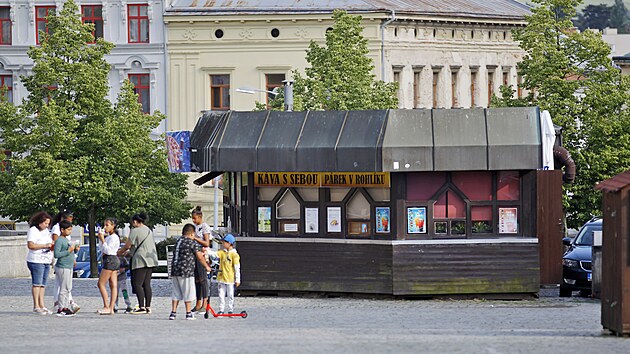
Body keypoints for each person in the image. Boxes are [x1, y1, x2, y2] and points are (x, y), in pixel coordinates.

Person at [117, 212, 157, 314]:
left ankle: (141, 306)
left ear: (135, 221)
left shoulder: (135, 231)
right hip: (151, 259)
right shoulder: (148, 230)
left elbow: (128, 245)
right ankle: (148, 306)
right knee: (147, 284)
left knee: (137, 283)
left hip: (140, 260)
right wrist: (129, 253)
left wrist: (120, 252)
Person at [169, 224, 211, 320]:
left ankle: (173, 313)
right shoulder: (191, 242)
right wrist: (206, 266)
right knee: (188, 292)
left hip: (175, 270)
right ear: (192, 233)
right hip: (186, 271)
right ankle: (188, 313)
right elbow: (199, 256)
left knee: (176, 292)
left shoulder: (178, 241)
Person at [50, 210, 79, 313]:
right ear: (62, 230)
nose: (70, 232)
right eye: (68, 230)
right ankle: (61, 307)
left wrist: (74, 250)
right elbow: (57, 253)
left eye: (71, 230)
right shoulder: (60, 240)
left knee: (68, 287)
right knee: (63, 287)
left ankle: (66, 305)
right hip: (63, 266)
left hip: (69, 265)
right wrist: (69, 251)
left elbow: (69, 251)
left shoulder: (66, 240)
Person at [26, 211, 53, 315]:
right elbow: (31, 245)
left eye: (48, 224)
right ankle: (36, 305)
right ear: (39, 222)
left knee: (43, 284)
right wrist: (45, 246)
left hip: (45, 259)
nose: (47, 225)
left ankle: (42, 304)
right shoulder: (33, 231)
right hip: (36, 259)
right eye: (45, 223)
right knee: (37, 283)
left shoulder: (46, 231)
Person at [208, 233, 240, 315]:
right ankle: (221, 309)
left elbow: (237, 267)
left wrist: (237, 279)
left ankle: (230, 309)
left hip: (230, 278)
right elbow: (215, 254)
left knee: (230, 295)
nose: (223, 244)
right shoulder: (222, 252)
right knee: (221, 295)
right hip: (221, 277)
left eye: (224, 242)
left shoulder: (234, 254)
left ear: (229, 243)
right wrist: (207, 251)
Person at [96, 218, 120, 315]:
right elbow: (101, 248)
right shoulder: (109, 237)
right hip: (111, 259)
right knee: (113, 285)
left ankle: (107, 306)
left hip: (110, 259)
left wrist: (102, 239)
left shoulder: (114, 237)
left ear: (113, 226)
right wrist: (101, 239)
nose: (105, 227)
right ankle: (111, 308)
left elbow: (109, 250)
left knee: (101, 283)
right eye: (104, 225)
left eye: (107, 225)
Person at [191, 206, 212, 312]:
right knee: (197, 280)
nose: (194, 220)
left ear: (200, 217)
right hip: (194, 254)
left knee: (203, 279)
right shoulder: (194, 227)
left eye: (195, 218)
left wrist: (195, 238)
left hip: (202, 255)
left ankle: (205, 301)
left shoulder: (204, 227)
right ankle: (198, 302)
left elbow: (207, 243)